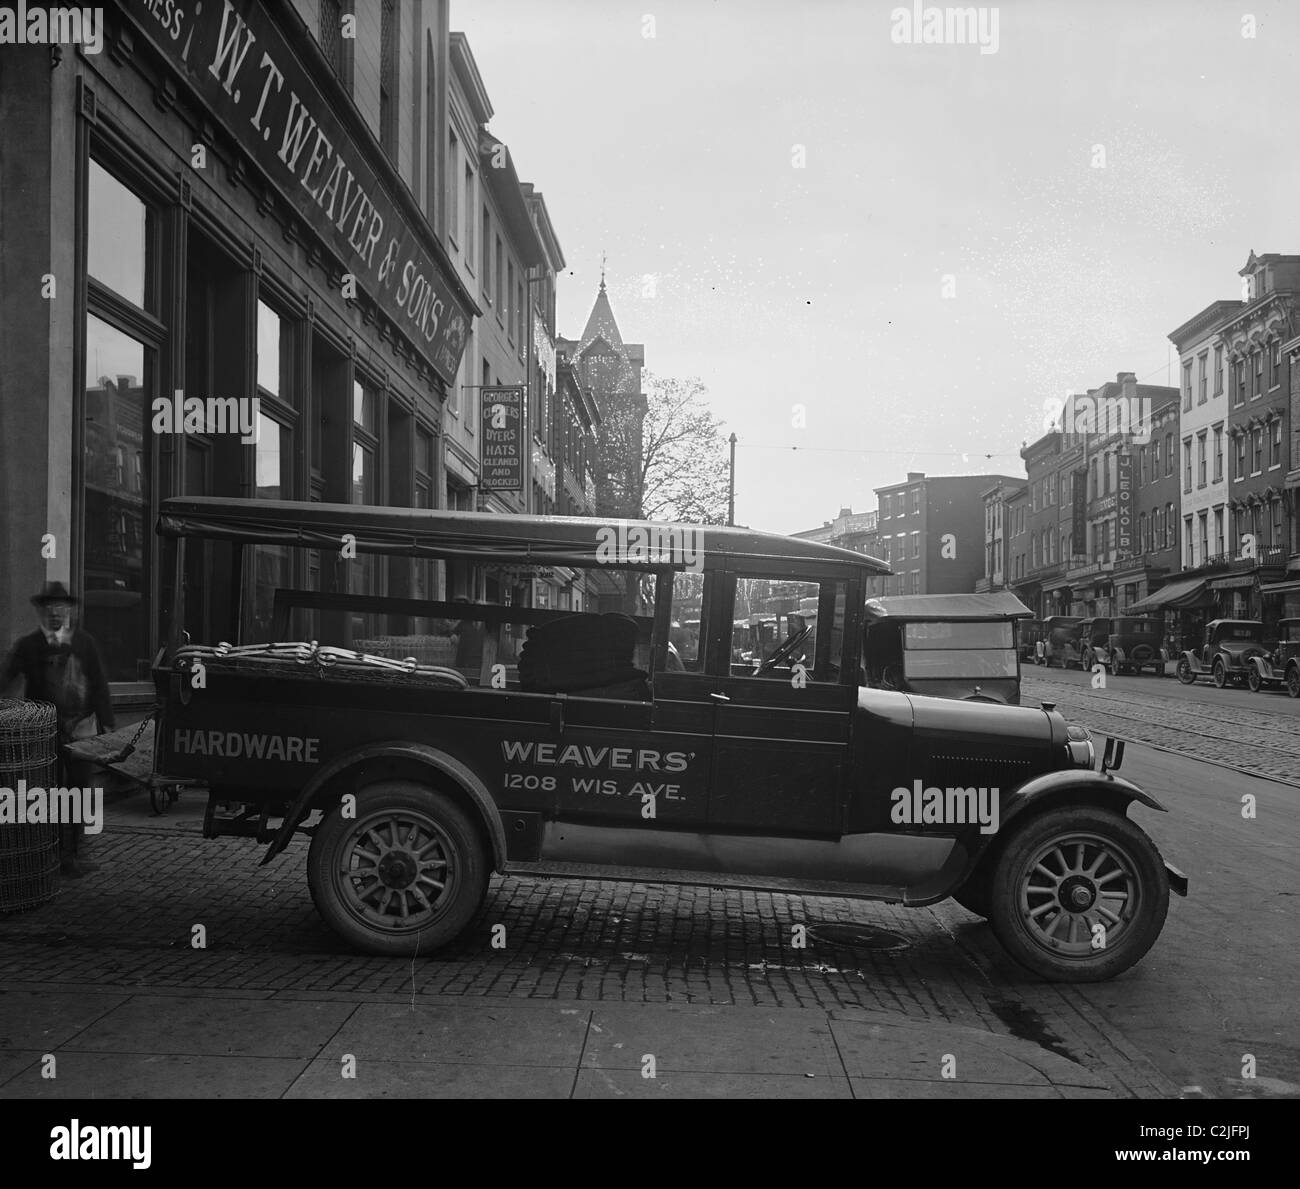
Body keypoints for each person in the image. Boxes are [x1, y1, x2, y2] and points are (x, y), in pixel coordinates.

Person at [0, 582, 115, 876]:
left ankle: (72, 855)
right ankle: (47, 855)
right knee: (46, 793)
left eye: (61, 607)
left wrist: (108, 726)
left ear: (70, 611)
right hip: (45, 733)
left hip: (81, 731)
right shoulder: (29, 645)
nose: (55, 613)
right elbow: (8, 676)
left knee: (78, 793)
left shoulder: (85, 643)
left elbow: (99, 686)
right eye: (50, 607)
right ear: (41, 611)